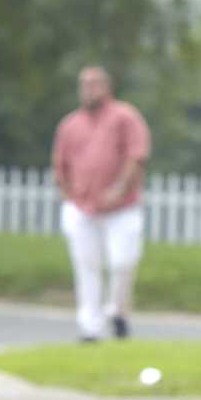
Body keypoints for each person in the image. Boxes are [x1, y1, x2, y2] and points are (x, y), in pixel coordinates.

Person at [51, 66, 151, 343]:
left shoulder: (125, 117)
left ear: (107, 86)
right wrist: (66, 191)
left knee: (122, 261)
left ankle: (118, 311)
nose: (88, 90)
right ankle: (90, 328)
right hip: (82, 207)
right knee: (86, 266)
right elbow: (60, 163)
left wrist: (119, 188)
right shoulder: (70, 124)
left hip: (122, 207)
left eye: (94, 84)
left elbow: (137, 155)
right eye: (84, 84)